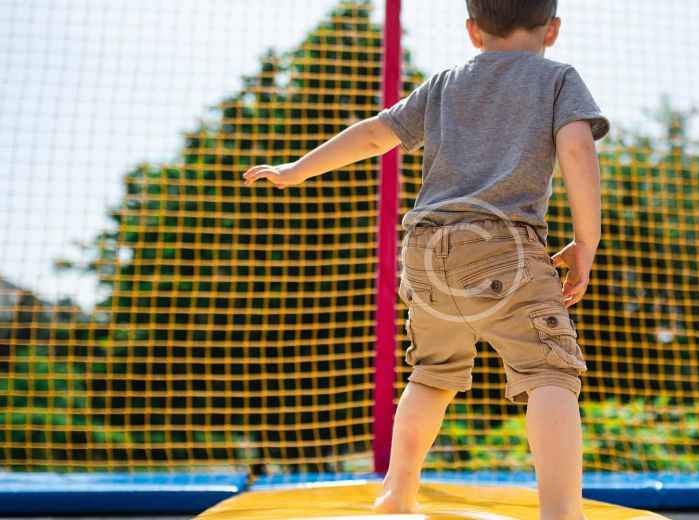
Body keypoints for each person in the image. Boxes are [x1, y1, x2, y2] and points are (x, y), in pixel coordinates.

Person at [242, 1, 608, 518]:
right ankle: (562, 511)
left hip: (427, 251)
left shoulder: (443, 84)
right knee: (549, 373)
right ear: (552, 29)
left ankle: (397, 492)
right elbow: (576, 150)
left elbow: (375, 133)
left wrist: (296, 169)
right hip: (506, 243)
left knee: (432, 376)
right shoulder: (556, 79)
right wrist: (585, 242)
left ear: (473, 31)